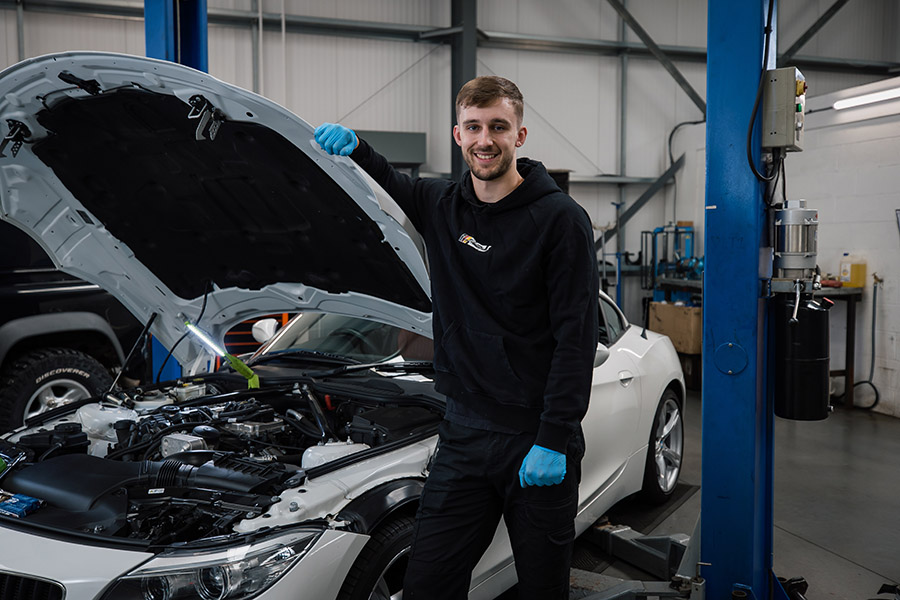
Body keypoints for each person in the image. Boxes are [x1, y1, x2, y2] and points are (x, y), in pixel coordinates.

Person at [315, 76, 599, 600]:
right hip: (464, 434)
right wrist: (355, 146)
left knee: (541, 587)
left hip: (533, 439)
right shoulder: (442, 205)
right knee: (429, 583)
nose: (484, 139)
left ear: (520, 134)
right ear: (457, 133)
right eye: (473, 127)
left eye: (498, 127)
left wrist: (553, 438)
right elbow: (390, 181)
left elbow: (576, 339)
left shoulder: (560, 221)